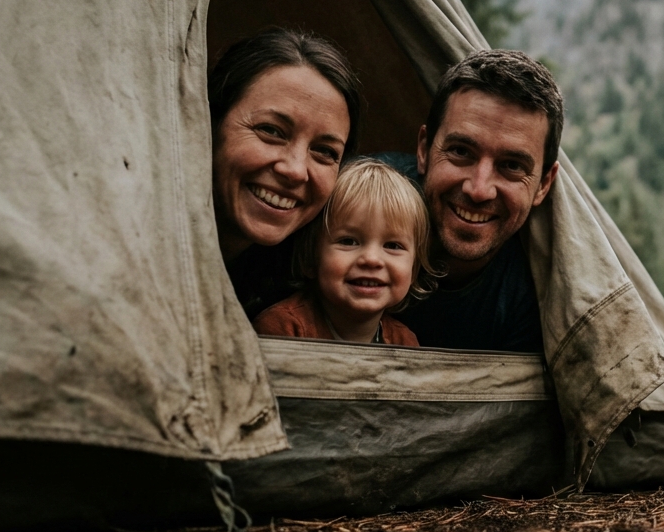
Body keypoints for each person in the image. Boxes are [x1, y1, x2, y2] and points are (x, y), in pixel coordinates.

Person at [380, 49, 562, 353]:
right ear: (424, 149)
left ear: (543, 184)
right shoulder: (348, 201)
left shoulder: (541, 297)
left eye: (512, 166)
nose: (479, 190)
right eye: (461, 151)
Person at [209, 28, 363, 318]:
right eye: (270, 131)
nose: (294, 170)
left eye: (325, 151)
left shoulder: (304, 303)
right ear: (210, 122)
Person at [251, 159, 433, 345]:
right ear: (310, 258)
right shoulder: (283, 329)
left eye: (393, 246)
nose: (371, 259)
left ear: (414, 269)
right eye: (348, 241)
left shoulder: (405, 343)